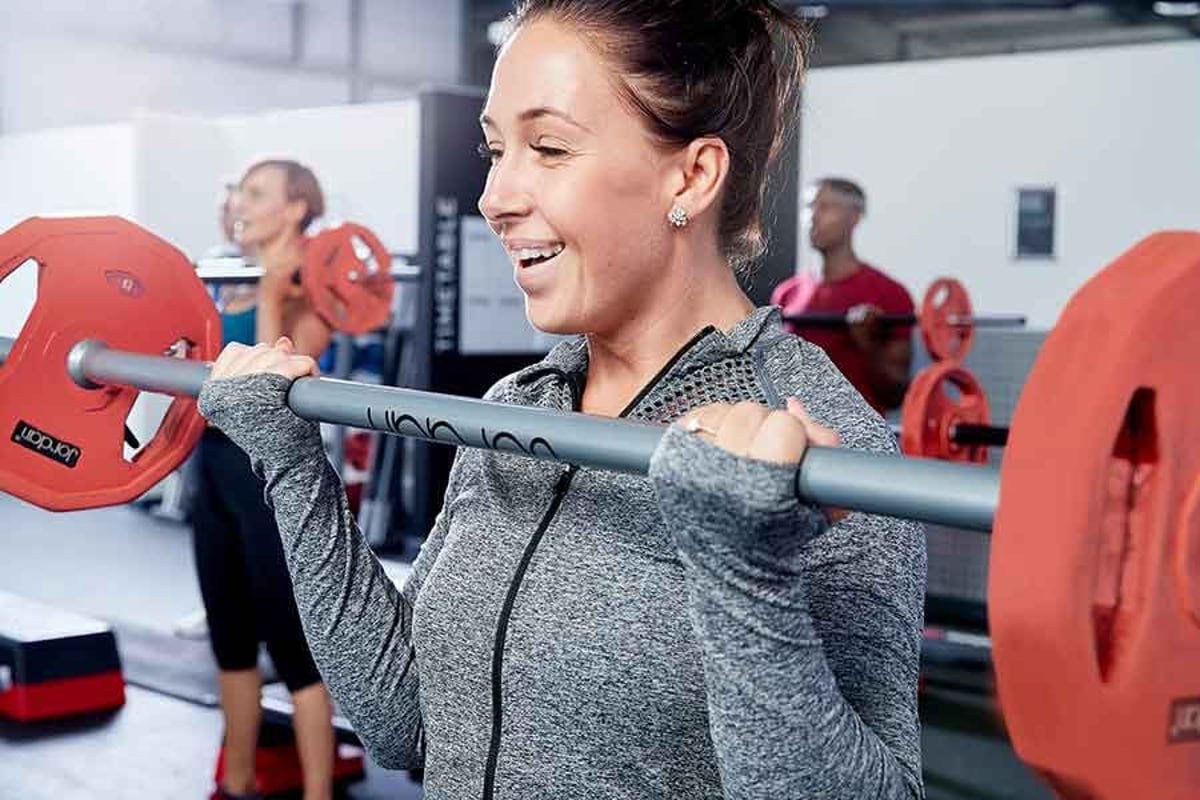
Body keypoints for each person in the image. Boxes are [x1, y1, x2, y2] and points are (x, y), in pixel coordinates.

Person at [198, 3, 926, 799]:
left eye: (548, 148)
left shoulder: (826, 454)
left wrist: (747, 579)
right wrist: (294, 464)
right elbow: (403, 718)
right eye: (496, 149)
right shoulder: (515, 407)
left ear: (691, 175)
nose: (494, 197)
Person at [190, 159, 338, 800]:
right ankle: (238, 783)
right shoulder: (231, 277)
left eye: (256, 193)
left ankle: (318, 793)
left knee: (292, 639)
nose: (239, 202)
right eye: (237, 191)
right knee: (229, 632)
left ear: (296, 208)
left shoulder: (316, 285)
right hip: (212, 465)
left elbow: (293, 366)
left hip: (269, 472)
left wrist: (278, 288)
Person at [776, 178, 916, 413]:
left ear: (855, 217)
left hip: (860, 439)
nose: (812, 217)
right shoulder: (786, 294)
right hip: (799, 434)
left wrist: (867, 344)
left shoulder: (890, 293)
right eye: (809, 206)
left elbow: (895, 395)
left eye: (826, 207)